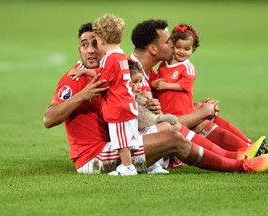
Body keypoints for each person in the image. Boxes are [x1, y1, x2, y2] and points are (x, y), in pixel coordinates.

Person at [44, 20, 268, 175]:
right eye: (85, 45)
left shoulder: (111, 69)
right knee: (173, 138)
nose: (91, 50)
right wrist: (84, 95)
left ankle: (238, 155)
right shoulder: (73, 79)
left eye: (96, 43)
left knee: (167, 127)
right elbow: (49, 118)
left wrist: (147, 105)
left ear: (104, 44)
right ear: (79, 49)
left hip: (117, 143)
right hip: (94, 157)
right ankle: (240, 166)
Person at [129, 19, 267, 168]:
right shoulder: (130, 77)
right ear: (153, 49)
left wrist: (195, 106)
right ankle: (241, 159)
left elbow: (164, 110)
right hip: (139, 147)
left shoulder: (148, 73)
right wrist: (201, 113)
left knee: (200, 111)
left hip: (154, 132)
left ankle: (252, 150)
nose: (173, 44)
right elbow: (154, 124)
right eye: (168, 41)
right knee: (198, 118)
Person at [150, 24, 259, 153]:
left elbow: (185, 85)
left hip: (183, 112)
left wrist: (164, 85)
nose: (181, 51)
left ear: (193, 49)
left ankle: (247, 147)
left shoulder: (187, 67)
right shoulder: (163, 64)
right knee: (199, 124)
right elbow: (156, 85)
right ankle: (245, 150)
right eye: (178, 47)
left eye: (187, 49)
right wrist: (154, 84)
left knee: (203, 123)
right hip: (168, 112)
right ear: (172, 45)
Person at [67, 14, 140, 175]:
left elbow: (103, 79)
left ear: (101, 40)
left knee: (121, 141)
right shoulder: (121, 55)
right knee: (133, 139)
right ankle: (151, 165)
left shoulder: (109, 58)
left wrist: (83, 71)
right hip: (128, 104)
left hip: (118, 108)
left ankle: (127, 167)